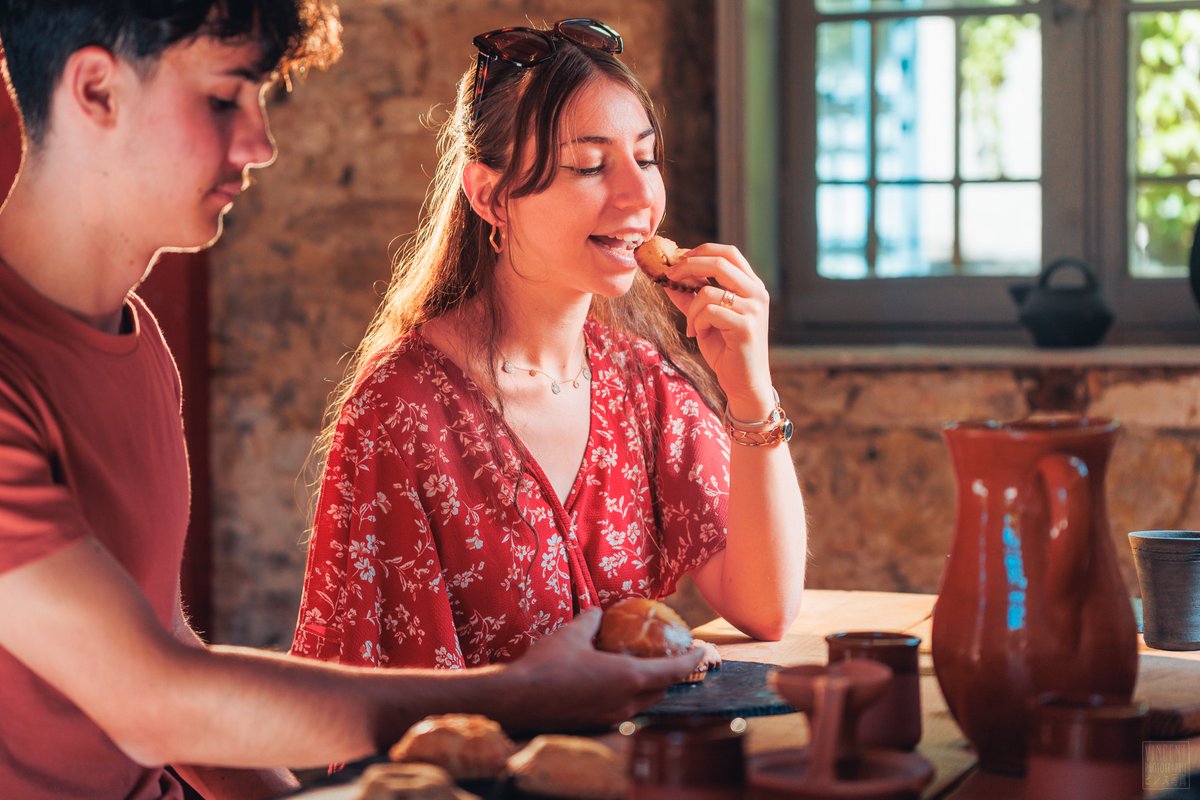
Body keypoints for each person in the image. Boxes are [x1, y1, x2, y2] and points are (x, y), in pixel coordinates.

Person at [0, 4, 703, 799]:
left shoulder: (134, 335)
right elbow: (150, 700)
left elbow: (166, 646)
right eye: (226, 98)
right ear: (95, 91)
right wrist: (520, 695)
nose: (261, 144)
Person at [291, 18, 807, 672]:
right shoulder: (401, 413)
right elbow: (378, 702)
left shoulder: (640, 383)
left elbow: (767, 607)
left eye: (645, 157)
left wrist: (750, 391)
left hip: (634, 770)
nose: (641, 194)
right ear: (490, 196)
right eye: (590, 165)